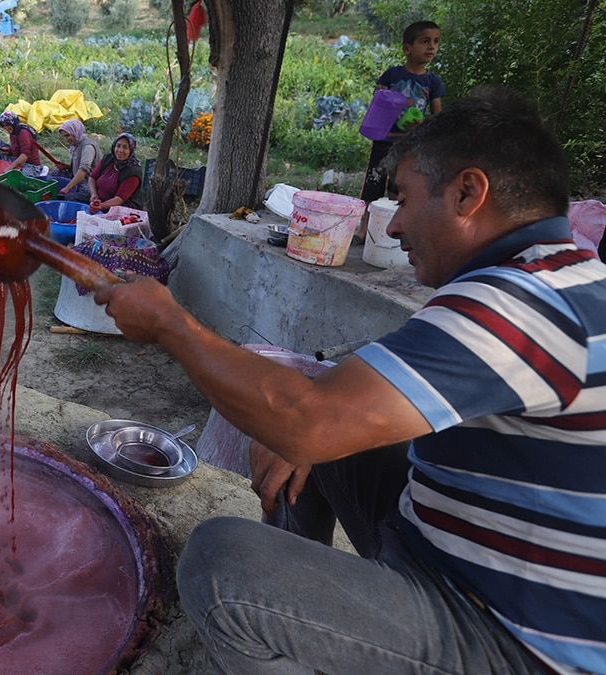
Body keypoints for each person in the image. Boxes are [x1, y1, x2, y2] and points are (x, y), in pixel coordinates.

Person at [94, 87, 606, 674]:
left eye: (406, 200)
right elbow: (333, 408)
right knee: (321, 429)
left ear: (468, 192)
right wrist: (303, 424)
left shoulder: (519, 305)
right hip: (456, 554)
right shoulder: (563, 278)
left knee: (221, 562)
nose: (395, 227)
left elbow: (307, 420)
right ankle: (312, 627)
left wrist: (170, 323)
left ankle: (279, 621)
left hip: (511, 639)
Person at [358, 20, 444, 239]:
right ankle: (363, 230)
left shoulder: (433, 81)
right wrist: (382, 96)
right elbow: (377, 105)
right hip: (384, 140)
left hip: (411, 145)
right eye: (425, 41)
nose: (431, 47)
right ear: (407, 48)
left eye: (435, 42)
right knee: (373, 185)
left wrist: (422, 126)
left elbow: (437, 116)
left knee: (400, 190)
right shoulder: (392, 75)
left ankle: (392, 235)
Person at [88, 133, 142, 212]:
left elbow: (120, 199)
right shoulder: (108, 158)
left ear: (131, 150)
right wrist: (94, 195)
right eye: (118, 146)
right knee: (73, 198)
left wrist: (101, 206)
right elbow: (92, 178)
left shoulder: (133, 171)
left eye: (125, 147)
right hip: (100, 200)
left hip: (121, 207)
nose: (120, 150)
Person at [52, 119, 99, 203]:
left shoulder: (88, 147)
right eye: (64, 137)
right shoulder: (76, 144)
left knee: (69, 197)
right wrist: (66, 166)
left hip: (89, 184)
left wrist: (67, 188)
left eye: (67, 135)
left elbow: (83, 171)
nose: (66, 139)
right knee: (55, 173)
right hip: (80, 179)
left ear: (75, 132)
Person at [0, 110, 46, 178]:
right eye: (3, 126)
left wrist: (8, 169)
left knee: (16, 178)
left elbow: (24, 156)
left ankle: (1, 171)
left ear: (13, 123)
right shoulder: (13, 131)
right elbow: (17, 148)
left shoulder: (23, 133)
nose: (5, 127)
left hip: (30, 166)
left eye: (7, 125)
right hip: (18, 159)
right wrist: (9, 150)